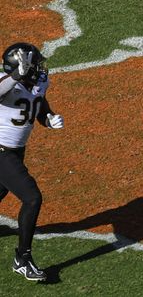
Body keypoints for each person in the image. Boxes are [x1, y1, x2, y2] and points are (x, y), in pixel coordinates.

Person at [0, 42, 64, 282]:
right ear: (21, 68)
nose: (40, 68)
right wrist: (16, 76)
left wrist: (48, 118)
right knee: (32, 197)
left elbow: (38, 104)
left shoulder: (38, 82)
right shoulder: (6, 83)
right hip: (1, 151)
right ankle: (22, 259)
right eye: (34, 64)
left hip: (16, 151)